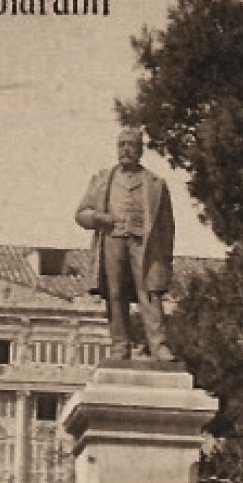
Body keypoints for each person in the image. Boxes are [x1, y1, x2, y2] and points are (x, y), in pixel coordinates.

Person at [75, 126, 177, 362]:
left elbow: (167, 226)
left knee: (150, 294)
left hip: (146, 245)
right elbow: (81, 214)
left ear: (140, 150)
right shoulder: (103, 179)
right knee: (116, 293)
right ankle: (120, 345)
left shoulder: (156, 183)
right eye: (122, 145)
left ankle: (159, 345)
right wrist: (100, 218)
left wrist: (166, 259)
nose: (126, 150)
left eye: (131, 145)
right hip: (113, 240)